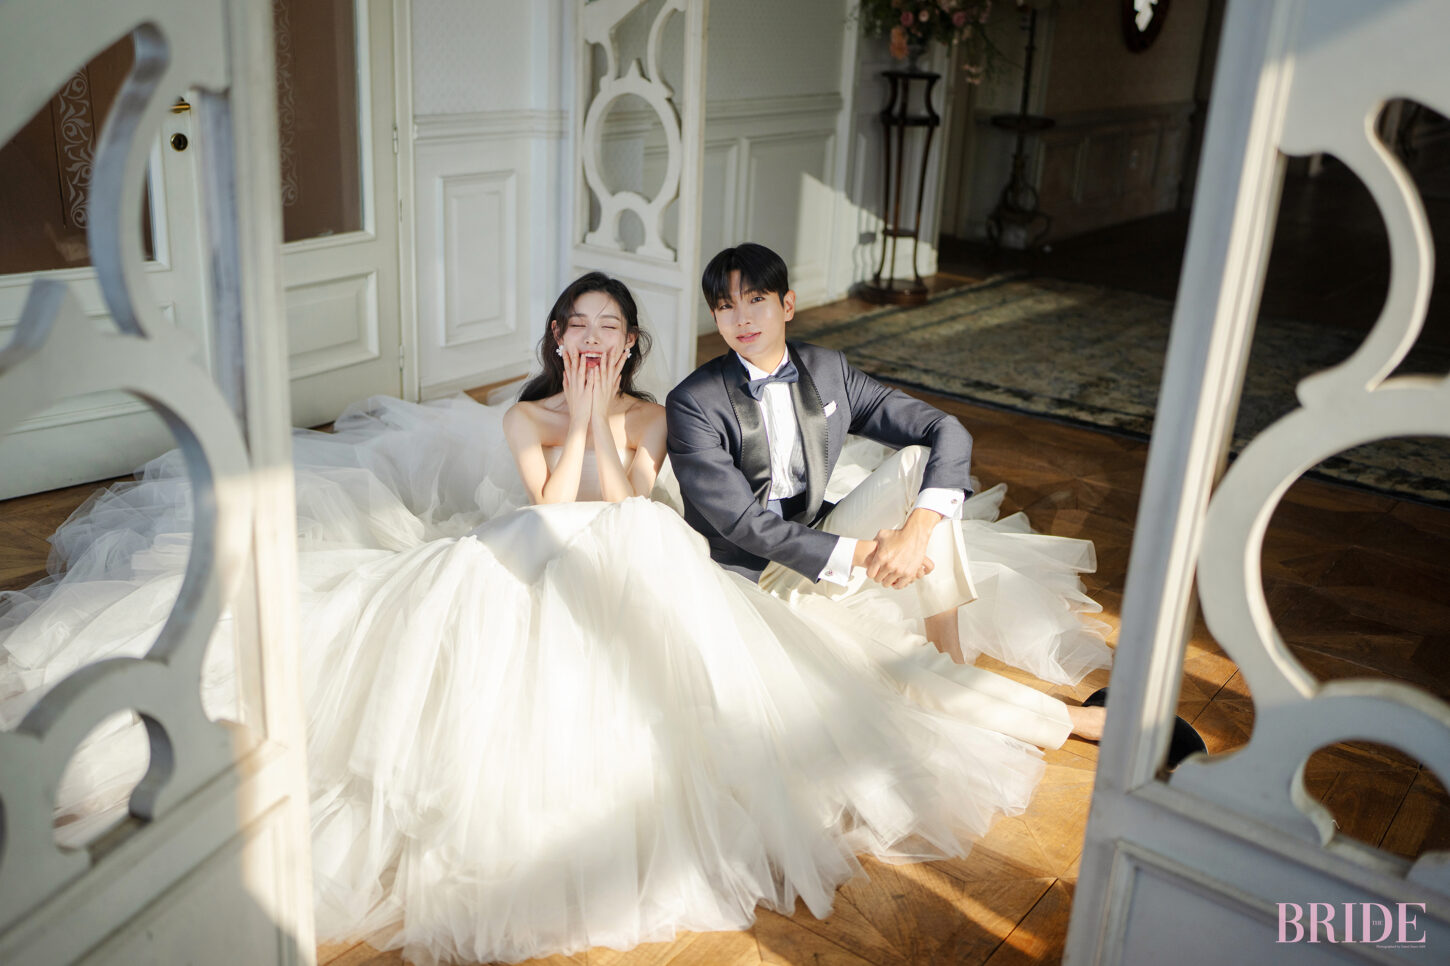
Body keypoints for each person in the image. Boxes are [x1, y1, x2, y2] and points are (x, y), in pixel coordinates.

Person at [0, 272, 1109, 966]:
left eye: (610, 329)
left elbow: (625, 504)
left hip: (634, 547)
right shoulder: (528, 416)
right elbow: (551, 508)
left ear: (630, 344)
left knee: (666, 567)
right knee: (517, 578)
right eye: (578, 325)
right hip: (535, 547)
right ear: (556, 333)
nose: (594, 339)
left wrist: (606, 418)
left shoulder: (659, 415)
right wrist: (573, 416)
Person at [668, 242, 1108, 747]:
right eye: (726, 306)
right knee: (898, 663)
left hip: (819, 530)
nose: (742, 318)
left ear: (787, 305)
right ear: (715, 317)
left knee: (918, 462)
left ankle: (949, 650)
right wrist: (870, 553)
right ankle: (1073, 722)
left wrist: (914, 535)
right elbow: (745, 526)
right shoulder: (693, 402)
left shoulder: (826, 369)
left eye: (755, 300)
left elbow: (945, 429)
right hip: (752, 579)